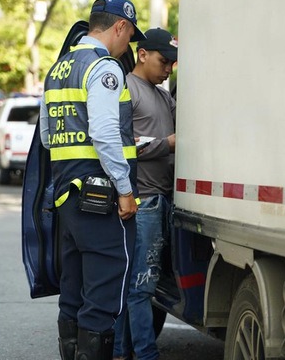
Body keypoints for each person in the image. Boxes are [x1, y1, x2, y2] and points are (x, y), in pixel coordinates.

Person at [39, 0, 146, 360]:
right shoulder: (103, 68)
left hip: (67, 199)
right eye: (130, 35)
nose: (128, 44)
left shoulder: (59, 68)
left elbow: (46, 136)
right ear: (120, 26)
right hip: (100, 201)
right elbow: (103, 133)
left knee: (73, 295)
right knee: (102, 300)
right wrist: (125, 189)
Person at [113, 28, 178, 360]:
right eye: (163, 61)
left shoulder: (163, 95)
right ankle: (145, 354)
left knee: (141, 288)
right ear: (142, 54)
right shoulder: (127, 88)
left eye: (172, 64)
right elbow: (120, 145)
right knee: (140, 288)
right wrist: (165, 144)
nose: (168, 69)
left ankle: (122, 352)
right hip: (144, 203)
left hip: (162, 202)